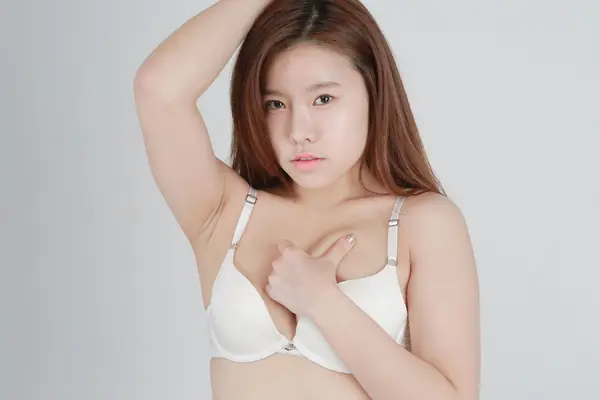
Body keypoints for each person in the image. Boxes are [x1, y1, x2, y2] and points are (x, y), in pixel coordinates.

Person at [133, 0, 480, 398]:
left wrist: (325, 303)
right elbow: (158, 90)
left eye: (323, 99)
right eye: (276, 104)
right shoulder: (223, 212)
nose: (299, 131)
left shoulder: (423, 223)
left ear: (374, 91)